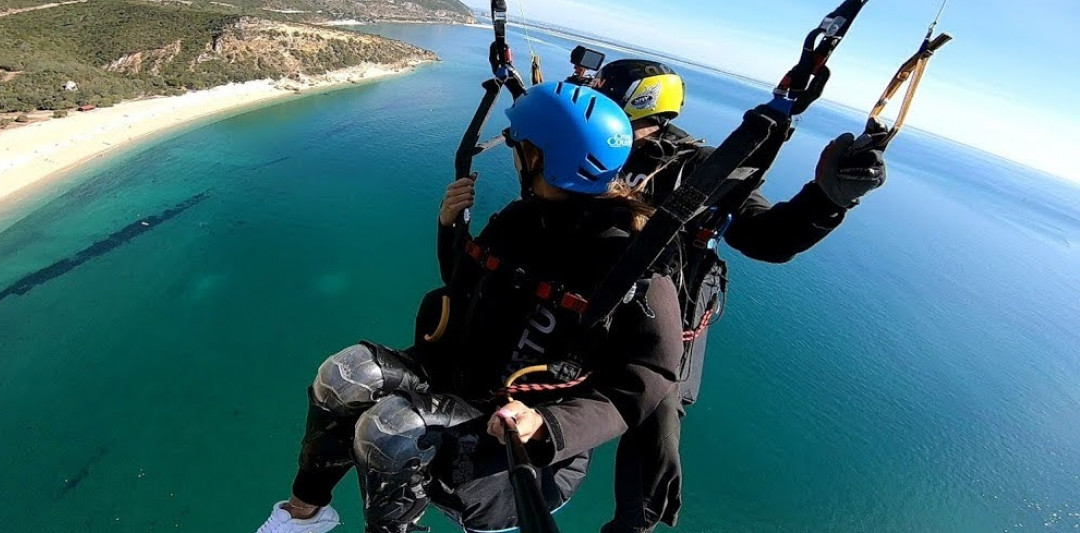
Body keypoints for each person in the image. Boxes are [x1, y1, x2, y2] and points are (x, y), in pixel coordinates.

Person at [255, 82, 687, 533]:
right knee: (345, 376)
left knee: (392, 429)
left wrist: (547, 425)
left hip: (520, 447)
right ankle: (304, 516)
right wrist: (450, 227)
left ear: (539, 159)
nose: (514, 154)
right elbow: (463, 286)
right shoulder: (522, 220)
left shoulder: (636, 268)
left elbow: (645, 382)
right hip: (461, 385)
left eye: (519, 146)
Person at [587, 59, 889, 533]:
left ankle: (635, 522)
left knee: (658, 418)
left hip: (664, 307)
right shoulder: (597, 143)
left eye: (603, 91)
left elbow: (767, 236)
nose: (592, 96)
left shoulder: (701, 168)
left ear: (637, 100)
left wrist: (827, 200)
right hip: (592, 289)